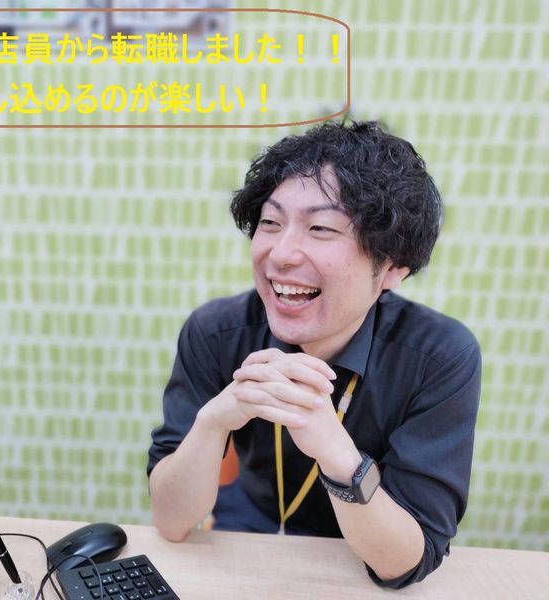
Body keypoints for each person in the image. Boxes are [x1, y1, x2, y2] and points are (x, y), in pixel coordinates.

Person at [146, 121, 482, 589]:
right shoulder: (217, 331)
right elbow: (170, 521)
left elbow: (405, 561)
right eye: (270, 223)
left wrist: (337, 454)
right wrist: (213, 421)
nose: (281, 254)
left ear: (392, 266)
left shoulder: (438, 357)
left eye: (320, 228)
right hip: (246, 547)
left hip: (356, 564)